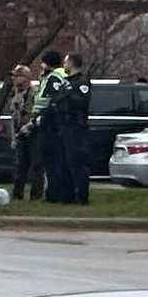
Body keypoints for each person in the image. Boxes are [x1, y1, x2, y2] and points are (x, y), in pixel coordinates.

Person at [54, 53, 92, 205]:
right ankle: (67, 195)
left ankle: (82, 196)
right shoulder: (66, 83)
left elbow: (82, 102)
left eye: (65, 62)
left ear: (71, 63)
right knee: (63, 162)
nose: (64, 65)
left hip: (76, 127)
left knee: (77, 162)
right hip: (63, 126)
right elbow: (57, 100)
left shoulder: (82, 82)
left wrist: (69, 95)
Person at [32, 50, 68, 203]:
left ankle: (52, 194)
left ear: (48, 64)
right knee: (56, 160)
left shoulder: (53, 78)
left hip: (48, 124)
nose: (41, 65)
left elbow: (51, 100)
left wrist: (40, 117)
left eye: (43, 62)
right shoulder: (62, 76)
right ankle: (57, 192)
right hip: (56, 124)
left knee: (49, 161)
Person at [5, 64, 43, 200]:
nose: (14, 79)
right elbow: (13, 116)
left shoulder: (35, 92)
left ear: (26, 78)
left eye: (17, 76)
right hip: (20, 134)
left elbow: (39, 112)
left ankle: (36, 194)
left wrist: (29, 125)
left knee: (36, 165)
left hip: (34, 132)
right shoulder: (15, 94)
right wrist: (13, 137)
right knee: (20, 165)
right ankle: (17, 194)